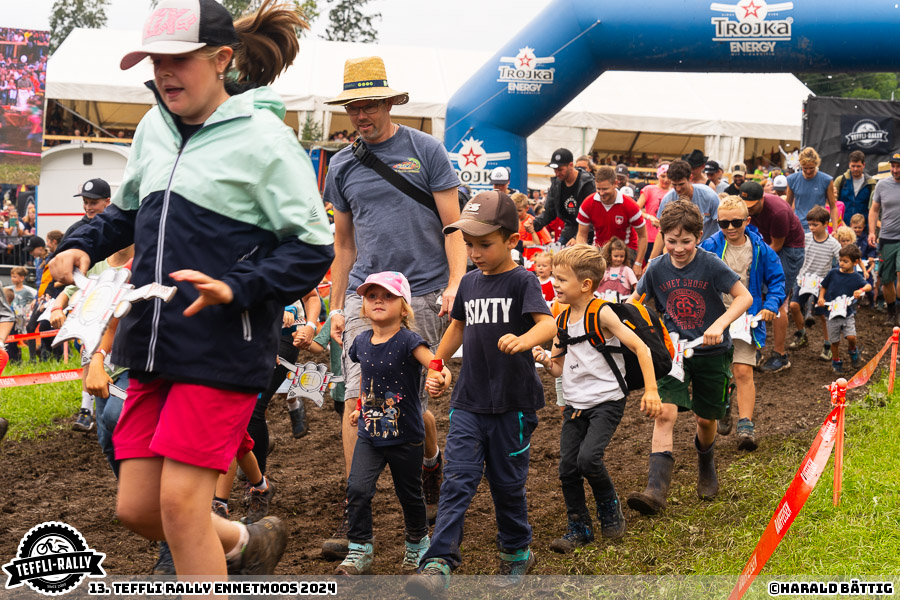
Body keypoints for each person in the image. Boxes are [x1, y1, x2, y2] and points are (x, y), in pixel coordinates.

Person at [48, 0, 333, 578]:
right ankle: (242, 544)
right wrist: (82, 242)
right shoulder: (153, 127)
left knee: (180, 508)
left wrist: (236, 287)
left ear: (222, 58)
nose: (163, 72)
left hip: (225, 348)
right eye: (155, 60)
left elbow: (313, 248)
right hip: (152, 346)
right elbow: (126, 212)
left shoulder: (265, 140)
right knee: (137, 508)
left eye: (179, 59)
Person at [323, 55, 463, 556]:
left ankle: (429, 459)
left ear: (389, 102)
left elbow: (453, 227)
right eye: (354, 106)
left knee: (414, 407)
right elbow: (343, 245)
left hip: (423, 292)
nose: (363, 114)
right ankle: (356, 510)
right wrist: (336, 306)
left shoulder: (425, 150)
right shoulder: (341, 166)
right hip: (367, 293)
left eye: (371, 104)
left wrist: (456, 282)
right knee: (355, 401)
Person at [406, 191, 556, 597]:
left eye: (484, 244)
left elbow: (548, 326)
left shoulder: (522, 280)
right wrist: (436, 366)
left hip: (514, 405)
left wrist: (525, 341)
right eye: (469, 244)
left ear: (511, 240)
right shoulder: (469, 283)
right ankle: (438, 562)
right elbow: (456, 329)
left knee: (507, 483)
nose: (474, 252)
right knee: (458, 480)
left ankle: (516, 552)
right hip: (470, 401)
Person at [532, 244, 661, 552]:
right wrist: (546, 361)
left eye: (562, 279)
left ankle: (609, 508)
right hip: (575, 404)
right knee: (567, 468)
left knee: (589, 459)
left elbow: (640, 348)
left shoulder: (601, 312)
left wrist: (652, 390)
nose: (555, 283)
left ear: (585, 285)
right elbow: (560, 366)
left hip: (607, 400)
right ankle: (579, 527)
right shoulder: (560, 317)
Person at [627, 200, 752, 515]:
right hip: (674, 354)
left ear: (699, 236)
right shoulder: (656, 268)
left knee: (705, 419)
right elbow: (636, 303)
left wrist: (720, 324)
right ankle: (655, 491)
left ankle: (706, 461)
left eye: (686, 241)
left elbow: (743, 297)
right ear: (663, 236)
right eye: (672, 241)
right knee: (665, 414)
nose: (679, 248)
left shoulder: (710, 264)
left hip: (712, 351)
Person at [336, 271, 450, 576]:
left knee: (409, 494)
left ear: (404, 307)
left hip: (405, 437)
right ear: (363, 305)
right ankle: (359, 549)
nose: (378, 301)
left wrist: (441, 378)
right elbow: (366, 378)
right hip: (369, 435)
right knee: (357, 488)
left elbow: (436, 363)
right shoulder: (360, 342)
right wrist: (360, 406)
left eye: (387, 296)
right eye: (372, 296)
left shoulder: (409, 339)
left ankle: (417, 545)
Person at [699, 196, 785, 451]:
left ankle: (746, 423)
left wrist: (771, 305)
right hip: (714, 319)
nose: (730, 228)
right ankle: (724, 402)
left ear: (747, 220)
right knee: (720, 371)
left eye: (737, 222)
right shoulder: (708, 247)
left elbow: (778, 280)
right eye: (724, 223)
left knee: (743, 370)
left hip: (747, 319)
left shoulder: (760, 248)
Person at [742, 182, 806, 374]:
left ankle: (780, 355)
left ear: (762, 198)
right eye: (746, 206)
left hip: (790, 249)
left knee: (777, 299)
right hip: (764, 245)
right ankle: (755, 348)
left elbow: (777, 246)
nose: (749, 210)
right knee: (755, 295)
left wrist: (754, 263)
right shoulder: (744, 210)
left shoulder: (778, 212)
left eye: (753, 206)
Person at [788, 206, 841, 359]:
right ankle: (802, 335)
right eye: (810, 224)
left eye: (815, 224)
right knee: (793, 306)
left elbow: (842, 259)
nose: (811, 228)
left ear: (826, 224)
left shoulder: (833, 244)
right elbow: (796, 254)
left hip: (822, 284)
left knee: (824, 316)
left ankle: (827, 345)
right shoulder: (805, 238)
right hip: (803, 280)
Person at [575, 165, 647, 275]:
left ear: (615, 184)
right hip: (600, 249)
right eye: (598, 189)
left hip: (626, 250)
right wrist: (582, 255)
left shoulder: (630, 205)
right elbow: (581, 235)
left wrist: (638, 263)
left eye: (605, 189)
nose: (601, 193)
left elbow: (642, 236)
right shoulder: (588, 203)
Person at [648, 160, 720, 260]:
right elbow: (662, 232)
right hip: (682, 251)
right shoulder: (668, 199)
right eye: (674, 185)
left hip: (709, 250)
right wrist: (650, 261)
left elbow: (721, 225)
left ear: (690, 178)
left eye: (681, 184)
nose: (678, 189)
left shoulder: (709, 196)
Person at [817, 245, 871, 374]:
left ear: (855, 262)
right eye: (840, 260)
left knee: (851, 337)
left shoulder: (856, 277)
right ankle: (836, 362)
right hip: (832, 313)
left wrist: (861, 290)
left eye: (845, 261)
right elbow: (823, 286)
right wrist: (821, 298)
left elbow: (868, 285)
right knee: (834, 341)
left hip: (848, 313)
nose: (841, 263)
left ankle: (853, 351)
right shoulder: (833, 273)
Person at [528, 147, 596, 245]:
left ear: (571, 165)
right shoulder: (556, 184)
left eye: (560, 169)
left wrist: (578, 238)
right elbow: (549, 213)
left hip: (588, 231)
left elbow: (593, 217)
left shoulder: (587, 184)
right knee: (558, 255)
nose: (557, 173)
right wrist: (534, 224)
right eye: (555, 170)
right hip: (569, 229)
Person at [868, 151, 900, 326]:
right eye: (893, 167)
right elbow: (874, 210)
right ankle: (892, 312)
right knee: (886, 280)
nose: (895, 170)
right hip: (886, 237)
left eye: (898, 167)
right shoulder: (882, 185)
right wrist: (872, 232)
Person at [786, 147, 839, 232]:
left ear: (816, 165)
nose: (808, 171)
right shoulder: (792, 180)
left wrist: (835, 230)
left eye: (811, 168)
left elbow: (833, 206)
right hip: (798, 226)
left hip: (819, 226)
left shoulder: (826, 180)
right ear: (800, 165)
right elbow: (787, 206)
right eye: (805, 168)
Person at [636, 163, 671, 263]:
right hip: (650, 237)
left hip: (668, 236)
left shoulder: (673, 192)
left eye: (669, 176)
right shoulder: (649, 190)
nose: (666, 180)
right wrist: (649, 216)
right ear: (658, 176)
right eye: (663, 176)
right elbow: (635, 210)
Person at [834, 151, 877, 231]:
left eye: (858, 166)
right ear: (849, 164)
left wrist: (872, 231)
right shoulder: (840, 180)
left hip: (863, 230)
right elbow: (832, 204)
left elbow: (874, 208)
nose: (855, 169)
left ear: (864, 165)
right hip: (843, 228)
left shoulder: (871, 184)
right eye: (853, 166)